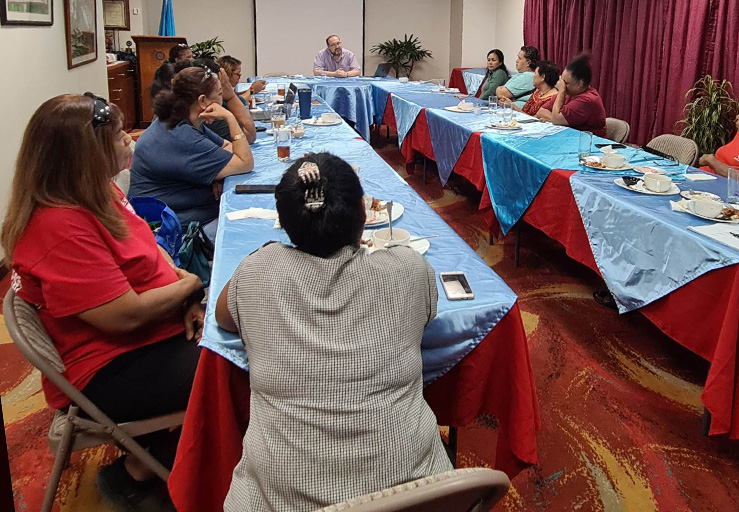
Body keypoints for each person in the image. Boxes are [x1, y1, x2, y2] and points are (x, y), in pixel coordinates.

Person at [215, 153, 452, 512]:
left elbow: (222, 316)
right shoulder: (408, 268)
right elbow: (426, 313)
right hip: (418, 496)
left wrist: (267, 255)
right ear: (362, 214)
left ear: (283, 223)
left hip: (277, 499)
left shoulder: (256, 272)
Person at [1, 92, 204, 510]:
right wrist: (189, 286)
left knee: (244, 332)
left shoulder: (98, 193)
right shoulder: (58, 226)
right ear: (86, 153)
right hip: (110, 367)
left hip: (150, 334)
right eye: (117, 137)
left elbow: (150, 256)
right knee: (248, 360)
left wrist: (186, 299)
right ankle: (143, 472)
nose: (130, 141)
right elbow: (124, 317)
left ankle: (158, 460)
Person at [129, 67, 254, 240]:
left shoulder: (183, 120)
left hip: (188, 213)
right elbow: (245, 162)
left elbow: (227, 147)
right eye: (219, 94)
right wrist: (229, 117)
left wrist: (217, 174)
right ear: (203, 101)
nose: (222, 98)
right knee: (247, 233)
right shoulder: (179, 135)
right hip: (174, 230)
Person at [540, 53, 607, 137]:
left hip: (589, 144)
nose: (562, 85)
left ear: (580, 83)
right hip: (570, 139)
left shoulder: (587, 100)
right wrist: (554, 120)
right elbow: (541, 111)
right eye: (562, 81)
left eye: (566, 83)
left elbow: (556, 119)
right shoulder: (570, 93)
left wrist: (561, 92)